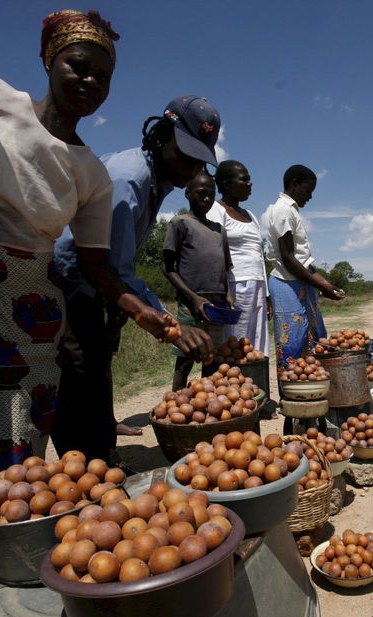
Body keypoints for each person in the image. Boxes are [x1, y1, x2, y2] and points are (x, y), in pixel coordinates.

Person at [0, 10, 175, 471]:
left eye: (103, 75)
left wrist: (146, 314)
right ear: (48, 60)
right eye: (77, 65)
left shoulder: (91, 173)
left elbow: (97, 267)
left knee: (18, 445)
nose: (89, 81)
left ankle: (6, 540)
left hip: (32, 312)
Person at [52, 96, 222, 462]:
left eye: (198, 159)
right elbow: (109, 266)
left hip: (102, 287)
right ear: (162, 137)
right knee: (79, 378)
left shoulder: (157, 181)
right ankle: (82, 474)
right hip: (76, 286)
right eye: (185, 154)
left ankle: (102, 457)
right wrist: (169, 322)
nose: (191, 168)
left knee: (97, 370)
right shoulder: (131, 177)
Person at [262, 164, 344, 367]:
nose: (310, 197)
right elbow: (289, 259)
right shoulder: (282, 211)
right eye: (308, 191)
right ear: (294, 184)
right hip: (286, 283)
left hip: (300, 282)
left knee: (314, 339)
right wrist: (321, 286)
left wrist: (325, 283)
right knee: (293, 343)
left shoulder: (291, 211)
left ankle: (312, 389)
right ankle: (292, 393)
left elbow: (303, 259)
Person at [164, 171, 234, 389]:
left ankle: (207, 410)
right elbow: (168, 268)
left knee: (212, 359)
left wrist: (229, 294)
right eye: (201, 193)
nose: (206, 199)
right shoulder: (180, 223)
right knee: (185, 357)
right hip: (191, 305)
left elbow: (225, 268)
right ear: (188, 194)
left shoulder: (218, 230)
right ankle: (177, 399)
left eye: (210, 194)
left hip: (217, 306)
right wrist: (193, 297)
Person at [207, 160, 271, 356]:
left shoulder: (250, 215)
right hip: (236, 285)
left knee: (257, 342)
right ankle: (235, 382)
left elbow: (258, 255)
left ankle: (256, 383)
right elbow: (214, 253)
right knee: (235, 342)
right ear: (226, 184)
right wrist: (225, 289)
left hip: (257, 284)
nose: (250, 184)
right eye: (244, 179)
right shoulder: (216, 211)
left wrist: (266, 295)